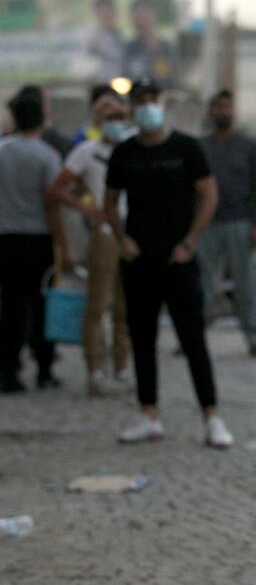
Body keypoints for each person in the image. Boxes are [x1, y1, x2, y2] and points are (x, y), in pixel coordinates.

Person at [104, 78, 233, 447]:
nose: (147, 105)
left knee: (193, 339)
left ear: (162, 103)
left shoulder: (186, 148)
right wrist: (121, 238)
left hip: (179, 259)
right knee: (142, 338)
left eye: (153, 99)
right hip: (138, 259)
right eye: (141, 100)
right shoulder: (124, 152)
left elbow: (209, 195)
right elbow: (110, 201)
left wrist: (191, 241)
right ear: (132, 107)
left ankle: (212, 417)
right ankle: (148, 414)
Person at [46, 95, 132, 396]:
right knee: (97, 303)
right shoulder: (88, 152)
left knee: (126, 306)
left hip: (131, 233)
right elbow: (58, 188)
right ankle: (94, 368)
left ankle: (122, 367)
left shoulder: (133, 149)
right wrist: (87, 209)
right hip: (106, 231)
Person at [198, 89, 256, 357]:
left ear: (233, 111)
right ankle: (192, 339)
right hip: (206, 225)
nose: (222, 112)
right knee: (203, 286)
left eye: (226, 107)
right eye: (217, 107)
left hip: (242, 223)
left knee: (249, 285)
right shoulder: (200, 147)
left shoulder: (248, 146)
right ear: (210, 112)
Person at [0, 94, 64, 393]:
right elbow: (52, 204)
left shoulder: (2, 152)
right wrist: (63, 245)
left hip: (6, 238)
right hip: (38, 239)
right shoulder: (47, 156)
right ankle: (45, 367)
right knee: (42, 305)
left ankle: (9, 369)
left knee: (11, 307)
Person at [123, 0, 176, 86]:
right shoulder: (130, 48)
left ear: (154, 15)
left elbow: (174, 77)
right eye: (138, 17)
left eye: (144, 16)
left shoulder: (167, 47)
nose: (141, 21)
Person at [88, 0, 125, 82]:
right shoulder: (92, 35)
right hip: (99, 82)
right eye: (103, 11)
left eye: (109, 11)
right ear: (97, 13)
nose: (106, 15)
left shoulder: (119, 34)